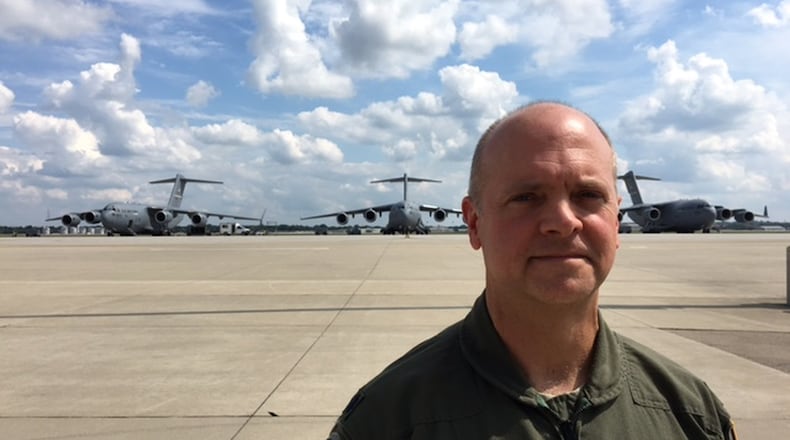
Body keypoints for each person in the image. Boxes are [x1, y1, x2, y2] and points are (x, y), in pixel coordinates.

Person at [327, 101, 736, 440]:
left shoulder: (690, 414)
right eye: (526, 197)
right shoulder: (390, 419)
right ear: (474, 223)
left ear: (615, 223)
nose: (562, 221)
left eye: (588, 195)